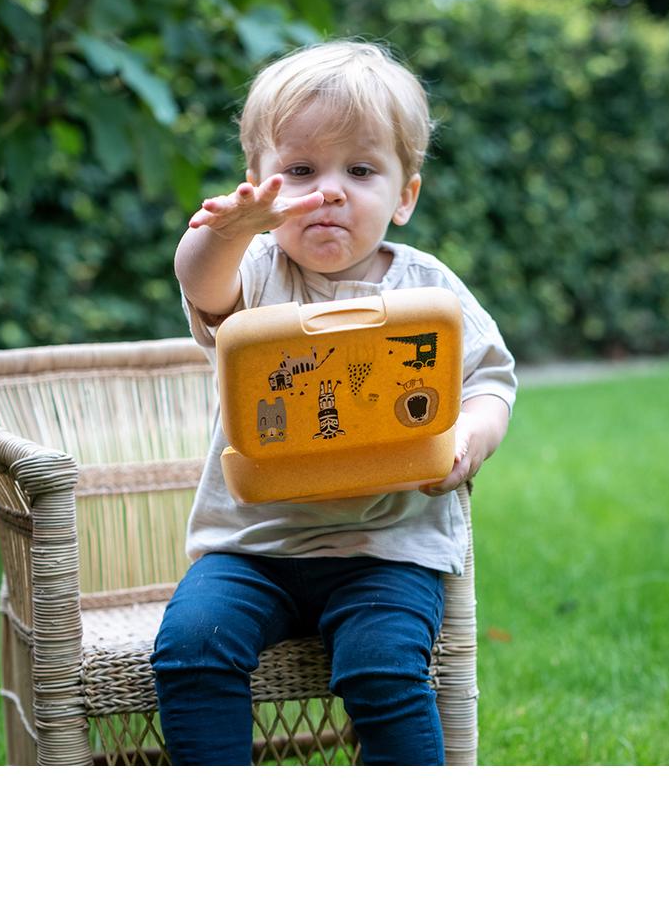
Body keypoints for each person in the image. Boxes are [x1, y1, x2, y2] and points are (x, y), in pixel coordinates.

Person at [150, 40, 517, 765]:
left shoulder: (428, 291)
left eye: (359, 169)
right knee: (192, 647)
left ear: (404, 195)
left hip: (386, 548)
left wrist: (469, 437)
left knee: (383, 669)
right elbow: (202, 286)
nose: (329, 191)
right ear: (259, 183)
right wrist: (222, 233)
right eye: (299, 170)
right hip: (252, 547)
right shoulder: (254, 270)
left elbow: (490, 379)